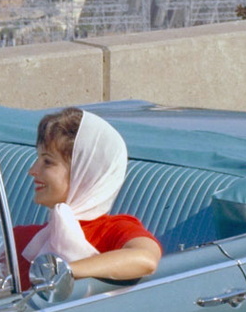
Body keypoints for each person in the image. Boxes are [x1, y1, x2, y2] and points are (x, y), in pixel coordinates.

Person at [13, 107, 162, 285]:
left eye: (47, 162)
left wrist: (64, 272)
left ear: (84, 173)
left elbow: (146, 259)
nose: (32, 170)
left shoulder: (112, 230)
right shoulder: (22, 238)